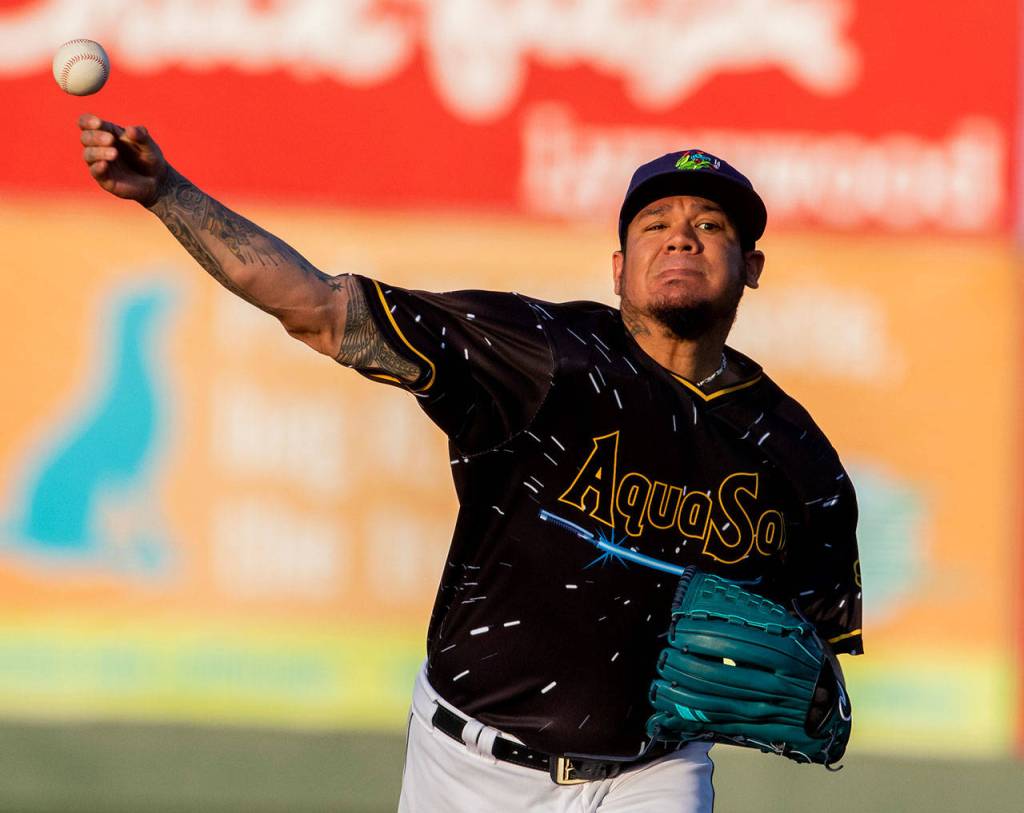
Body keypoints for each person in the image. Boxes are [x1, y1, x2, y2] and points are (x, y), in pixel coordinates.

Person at [77, 114, 863, 812]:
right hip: (467, 764)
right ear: (618, 266)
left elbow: (811, 642)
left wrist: (819, 687)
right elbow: (316, 307)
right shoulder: (543, 357)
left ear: (751, 265)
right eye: (654, 222)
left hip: (650, 774)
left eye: (711, 223)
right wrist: (165, 191)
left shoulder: (797, 459)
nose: (681, 234)